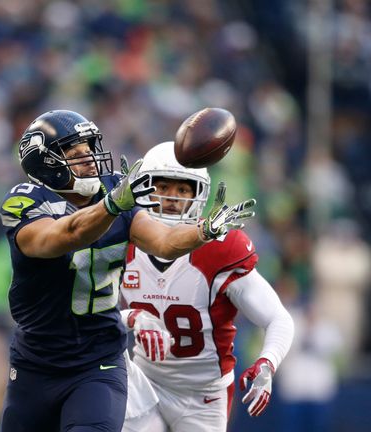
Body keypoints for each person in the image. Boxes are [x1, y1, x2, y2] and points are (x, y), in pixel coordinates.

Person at [0, 110, 256, 432]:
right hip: (35, 363)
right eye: (76, 155)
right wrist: (111, 207)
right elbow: (65, 236)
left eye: (90, 149)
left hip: (98, 362)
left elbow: (163, 241)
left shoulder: (115, 190)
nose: (90, 159)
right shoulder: (25, 202)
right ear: (46, 163)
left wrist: (202, 231)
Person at [119, 141, 295, 432]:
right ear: (143, 189)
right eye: (163, 187)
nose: (172, 198)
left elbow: (278, 317)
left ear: (198, 195)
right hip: (145, 382)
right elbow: (93, 318)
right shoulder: (121, 239)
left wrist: (267, 362)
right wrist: (133, 318)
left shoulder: (219, 249)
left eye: (183, 189)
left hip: (203, 395)